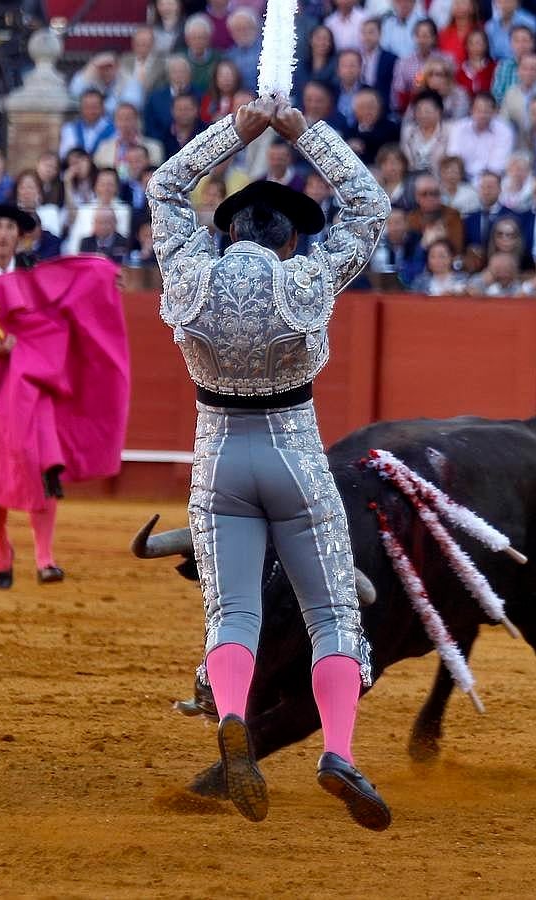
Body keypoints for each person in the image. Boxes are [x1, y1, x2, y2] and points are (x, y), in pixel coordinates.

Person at [146, 97, 392, 830]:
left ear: (227, 233)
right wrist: (299, 131)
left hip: (217, 457)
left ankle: (230, 716)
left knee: (234, 611)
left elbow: (163, 186)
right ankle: (338, 754)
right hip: (293, 453)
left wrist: (237, 130)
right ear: (287, 239)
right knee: (333, 616)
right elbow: (369, 205)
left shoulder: (188, 271)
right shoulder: (307, 279)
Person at [0, 205, 59, 586]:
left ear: (19, 235)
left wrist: (102, 282)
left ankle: (44, 557)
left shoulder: (34, 270)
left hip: (31, 383)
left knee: (40, 456)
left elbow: (65, 308)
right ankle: (1, 548)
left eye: (11, 226)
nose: (5, 233)